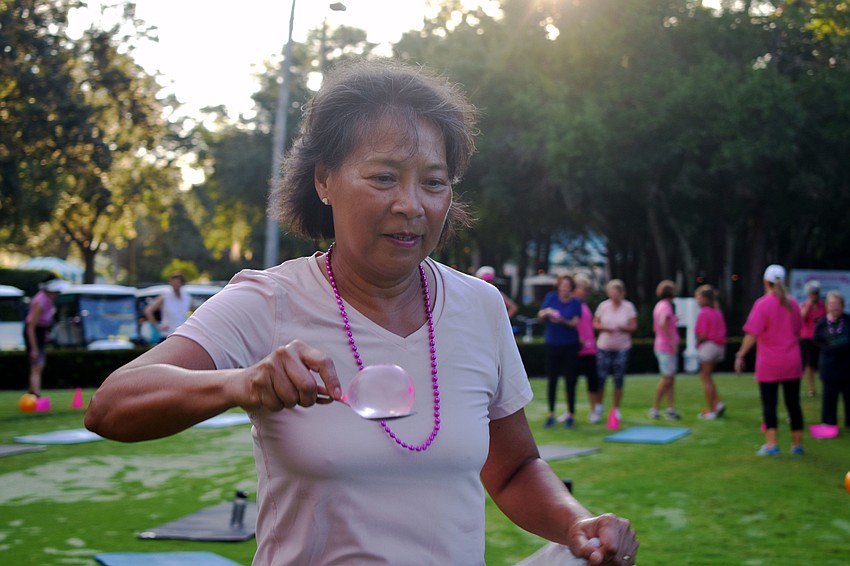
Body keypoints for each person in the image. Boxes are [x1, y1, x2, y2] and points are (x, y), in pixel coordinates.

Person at [85, 59, 637, 565]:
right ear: (324, 180)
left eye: (434, 182)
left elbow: (514, 469)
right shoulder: (269, 300)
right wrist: (239, 384)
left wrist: (576, 523)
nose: (411, 204)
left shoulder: (480, 306)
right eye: (383, 177)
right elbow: (111, 405)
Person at [735, 264, 804, 456]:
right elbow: (797, 331)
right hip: (792, 361)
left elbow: (752, 334)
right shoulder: (794, 304)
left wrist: (741, 354)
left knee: (769, 404)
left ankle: (772, 445)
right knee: (793, 404)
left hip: (769, 363)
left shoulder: (762, 304)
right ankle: (797, 445)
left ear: (766, 282)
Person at [538, 274, 583, 428]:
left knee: (570, 381)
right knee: (552, 380)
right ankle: (551, 414)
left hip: (570, 345)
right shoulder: (551, 298)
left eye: (567, 285)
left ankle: (571, 414)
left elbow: (575, 323)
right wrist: (547, 312)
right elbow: (540, 314)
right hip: (552, 344)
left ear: (571, 287)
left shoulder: (576, 302)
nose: (564, 288)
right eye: (562, 285)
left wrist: (562, 320)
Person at [593, 279, 638, 423]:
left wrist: (622, 328)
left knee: (618, 378)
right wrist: (606, 328)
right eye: (612, 293)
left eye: (617, 293)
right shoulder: (603, 306)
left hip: (622, 347)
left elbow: (633, 326)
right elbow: (595, 323)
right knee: (601, 377)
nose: (615, 296)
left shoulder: (628, 307)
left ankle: (615, 408)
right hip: (604, 346)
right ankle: (598, 407)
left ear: (622, 293)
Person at [23, 277, 68, 396]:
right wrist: (34, 348)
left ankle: (32, 392)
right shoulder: (40, 302)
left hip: (40, 332)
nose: (58, 293)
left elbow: (43, 323)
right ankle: (35, 394)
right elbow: (31, 327)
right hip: (34, 333)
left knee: (39, 365)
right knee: (37, 365)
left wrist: (45, 334)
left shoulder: (48, 300)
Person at [812, 290, 850, 429]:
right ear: (827, 306)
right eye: (832, 304)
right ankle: (829, 423)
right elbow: (816, 339)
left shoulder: (847, 320)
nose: (835, 307)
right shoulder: (822, 323)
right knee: (829, 398)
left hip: (847, 367)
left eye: (837, 304)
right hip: (829, 367)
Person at [694, 284, 727, 419]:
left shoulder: (704, 312)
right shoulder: (717, 312)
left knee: (704, 377)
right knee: (708, 376)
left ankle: (712, 410)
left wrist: (698, 343)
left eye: (698, 297)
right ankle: (717, 402)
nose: (697, 300)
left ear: (704, 298)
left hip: (709, 346)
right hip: (719, 347)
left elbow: (702, 334)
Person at [649, 280, 681, 420]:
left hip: (663, 346)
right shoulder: (666, 306)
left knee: (670, 379)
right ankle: (655, 408)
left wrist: (673, 320)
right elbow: (662, 323)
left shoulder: (659, 306)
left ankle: (670, 408)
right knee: (667, 378)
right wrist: (671, 341)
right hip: (665, 348)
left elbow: (656, 326)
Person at [574, 273, 603, 423]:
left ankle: (595, 410)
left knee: (592, 381)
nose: (586, 292)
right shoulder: (573, 305)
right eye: (583, 288)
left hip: (590, 349)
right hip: (576, 349)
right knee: (571, 381)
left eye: (587, 289)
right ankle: (569, 412)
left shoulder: (584, 306)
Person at [143, 271, 191, 340]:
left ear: (182, 284)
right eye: (173, 282)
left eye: (178, 282)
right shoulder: (165, 296)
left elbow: (194, 312)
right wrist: (157, 326)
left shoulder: (187, 298)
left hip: (181, 335)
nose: (175, 285)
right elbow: (148, 310)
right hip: (167, 334)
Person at [799, 280, 825, 397]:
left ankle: (824, 385)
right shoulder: (804, 305)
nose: (813, 295)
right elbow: (801, 319)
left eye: (815, 293)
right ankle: (811, 387)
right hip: (807, 338)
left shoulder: (823, 306)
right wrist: (809, 306)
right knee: (809, 364)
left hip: (820, 338)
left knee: (822, 362)